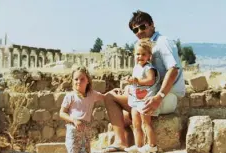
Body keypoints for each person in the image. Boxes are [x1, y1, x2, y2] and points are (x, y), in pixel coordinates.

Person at [104, 10, 185, 152]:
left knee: (110, 98)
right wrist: (128, 89)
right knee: (124, 115)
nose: (139, 31)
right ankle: (135, 145)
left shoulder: (162, 42)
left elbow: (173, 70)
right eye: (135, 30)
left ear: (152, 25)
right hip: (150, 94)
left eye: (142, 27)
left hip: (165, 97)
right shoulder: (143, 46)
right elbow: (140, 77)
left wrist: (159, 97)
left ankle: (122, 142)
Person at [124, 39, 160, 153]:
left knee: (146, 123)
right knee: (136, 123)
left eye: (143, 54)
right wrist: (130, 81)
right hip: (136, 99)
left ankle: (152, 145)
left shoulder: (149, 68)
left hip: (145, 99)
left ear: (149, 56)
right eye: (138, 54)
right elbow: (135, 81)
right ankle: (138, 146)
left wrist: (137, 81)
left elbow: (150, 80)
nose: (140, 56)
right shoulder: (136, 67)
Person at [59, 65, 104, 153]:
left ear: (88, 81)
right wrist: (74, 120)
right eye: (76, 79)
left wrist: (114, 92)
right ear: (72, 81)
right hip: (73, 131)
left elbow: (105, 97)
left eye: (82, 79)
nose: (79, 81)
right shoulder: (70, 96)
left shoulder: (92, 94)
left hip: (86, 132)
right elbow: (62, 113)